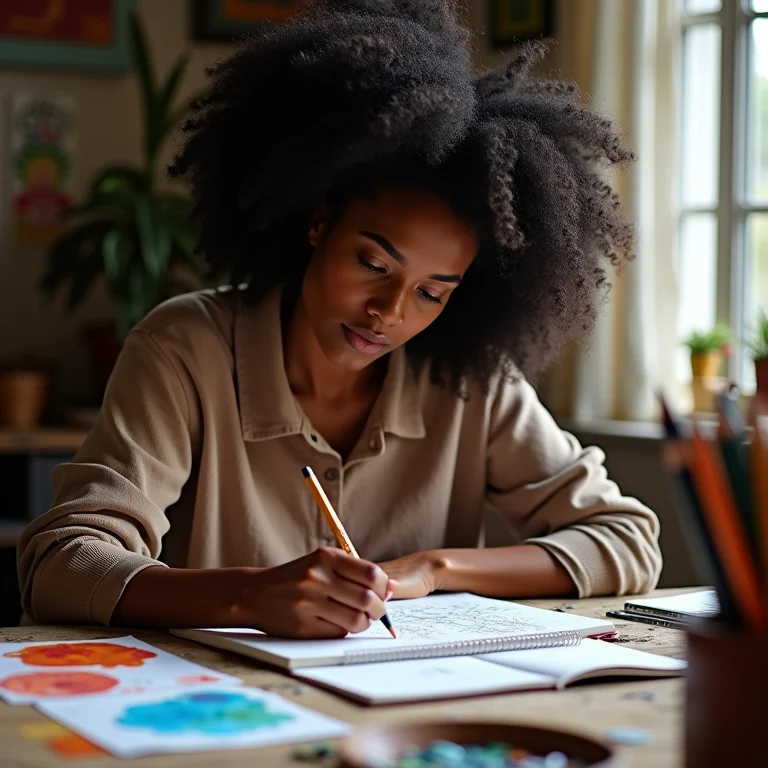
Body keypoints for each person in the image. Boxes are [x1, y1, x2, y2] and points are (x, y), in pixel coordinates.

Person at [17, 0, 661, 636]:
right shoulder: (185, 348)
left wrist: (434, 569)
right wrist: (246, 596)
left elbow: (629, 541)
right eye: (374, 264)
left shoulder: (471, 379)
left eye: (432, 293)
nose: (389, 311)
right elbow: (61, 567)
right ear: (319, 223)